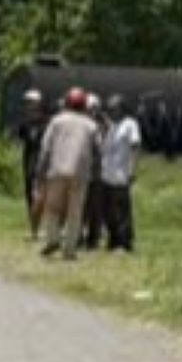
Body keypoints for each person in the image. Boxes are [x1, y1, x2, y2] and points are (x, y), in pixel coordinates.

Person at [35, 88, 101, 261]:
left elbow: (45, 149)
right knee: (75, 211)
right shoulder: (91, 125)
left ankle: (53, 239)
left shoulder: (56, 121)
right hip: (80, 173)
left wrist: (40, 172)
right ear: (84, 105)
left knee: (52, 208)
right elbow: (98, 151)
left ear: (67, 103)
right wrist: (96, 172)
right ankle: (69, 249)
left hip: (57, 170)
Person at [101, 94, 142, 252]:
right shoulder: (111, 126)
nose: (111, 111)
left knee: (121, 210)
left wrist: (132, 169)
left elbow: (135, 147)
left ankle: (124, 242)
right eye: (109, 108)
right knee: (108, 210)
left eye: (114, 108)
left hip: (121, 173)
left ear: (122, 108)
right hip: (107, 174)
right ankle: (113, 239)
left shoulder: (130, 124)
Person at [15, 90, 48, 239]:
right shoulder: (24, 123)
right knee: (30, 193)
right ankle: (33, 226)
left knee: (41, 194)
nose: (28, 106)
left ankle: (43, 224)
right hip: (29, 161)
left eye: (31, 102)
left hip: (43, 161)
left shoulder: (46, 122)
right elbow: (21, 141)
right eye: (26, 103)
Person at [81, 95, 111, 251]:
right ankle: (79, 236)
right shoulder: (82, 124)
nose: (91, 111)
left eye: (93, 108)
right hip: (82, 170)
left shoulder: (103, 125)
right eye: (88, 109)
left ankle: (93, 238)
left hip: (98, 171)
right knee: (81, 206)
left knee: (96, 206)